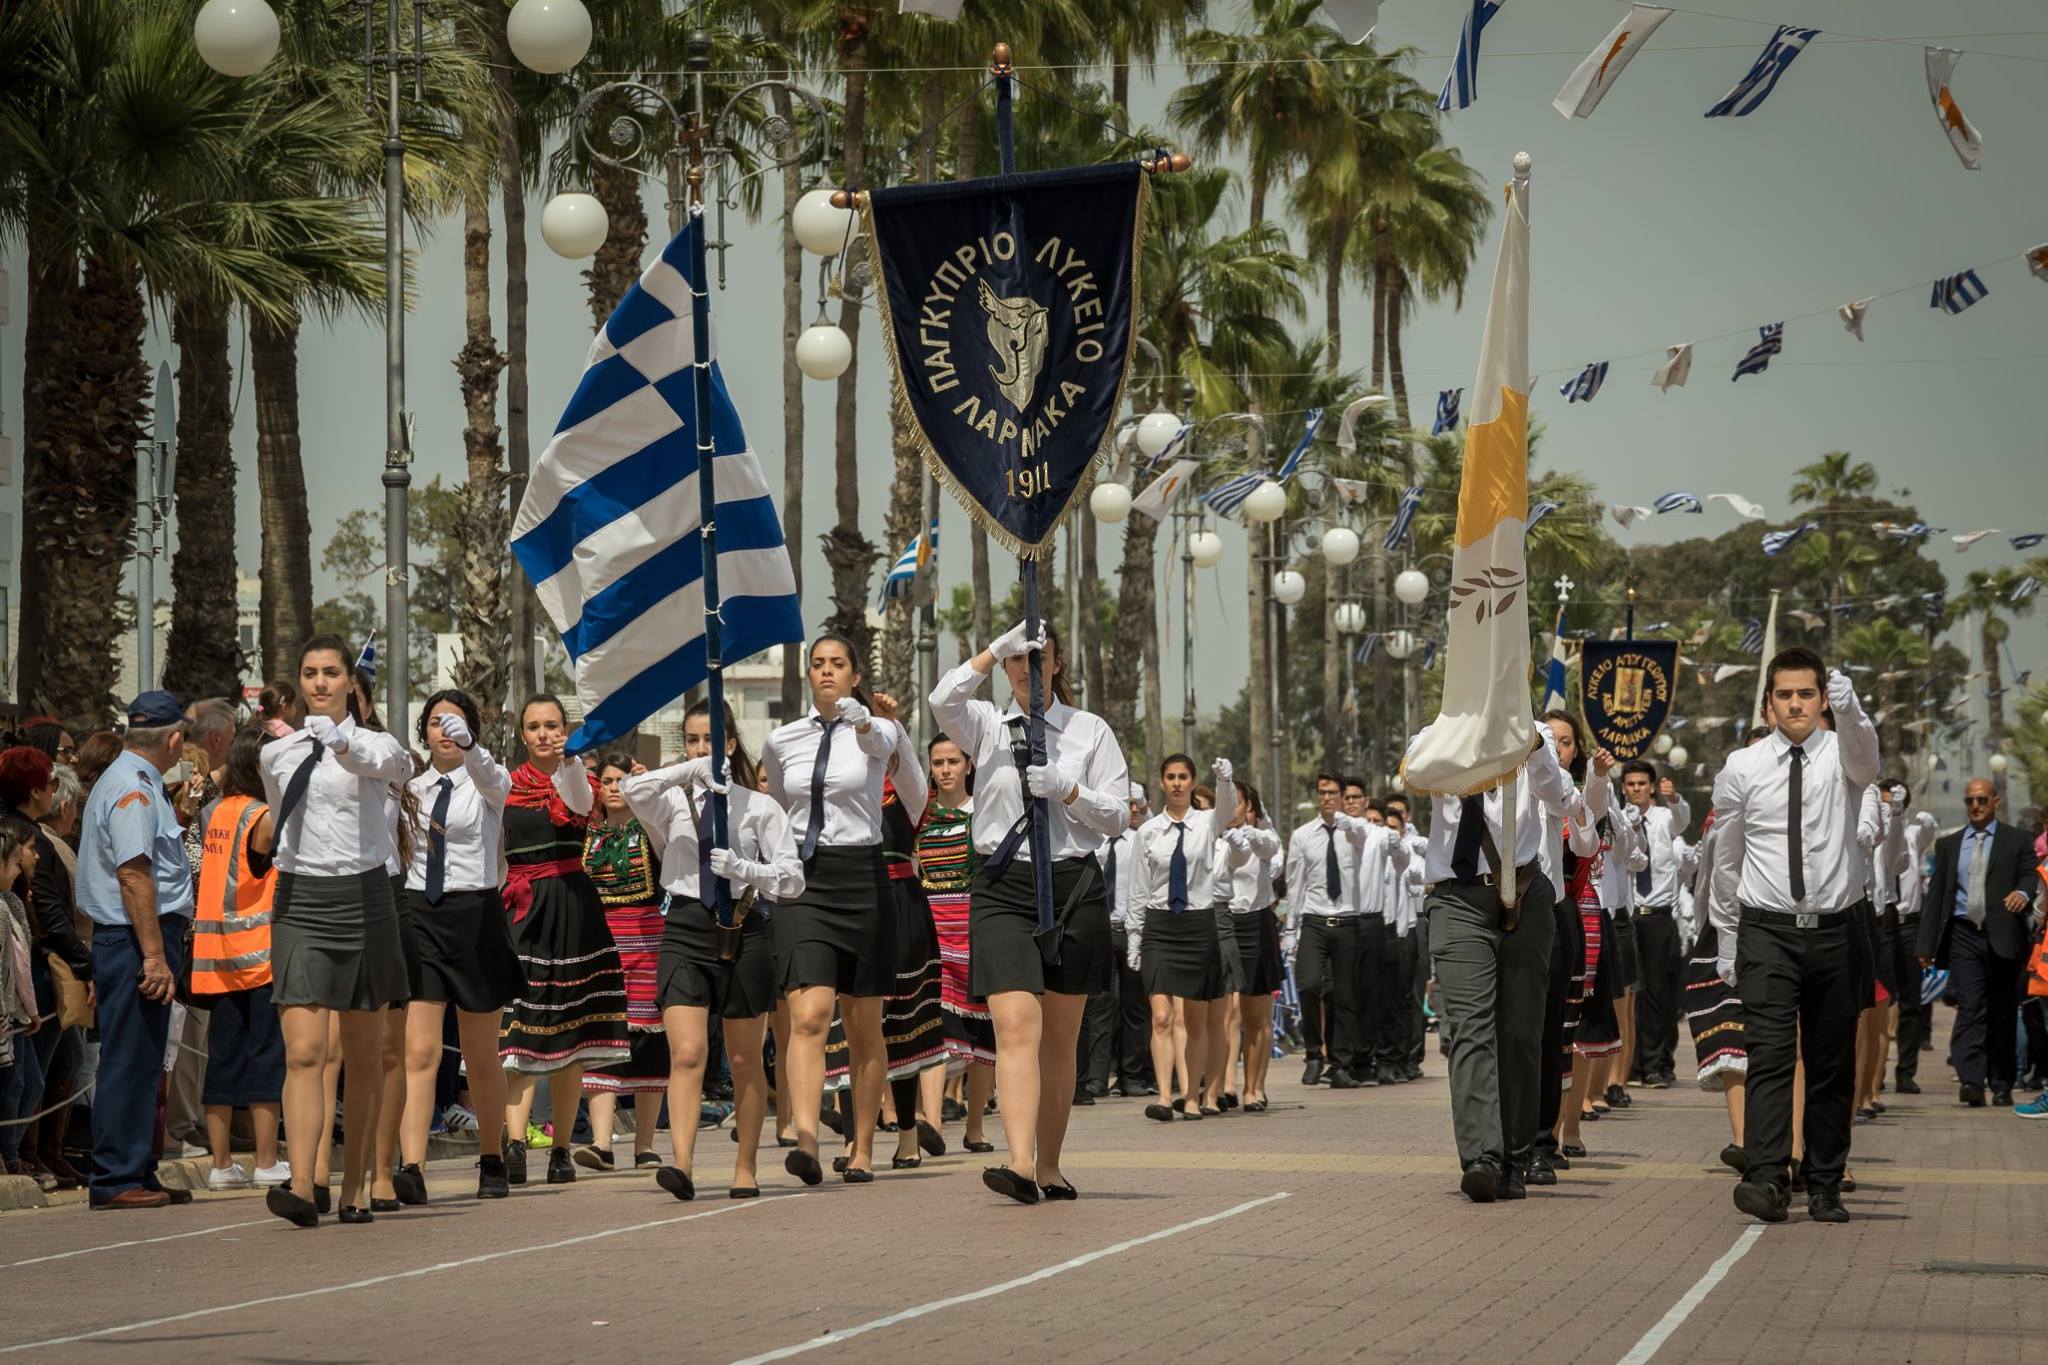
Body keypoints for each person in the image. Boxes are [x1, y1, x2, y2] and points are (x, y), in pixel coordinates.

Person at [929, 621, 1129, 1203]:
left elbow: (1117, 816)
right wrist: (996, 647)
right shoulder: (986, 725)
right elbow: (944, 699)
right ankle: (1017, 1163)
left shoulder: (1089, 731)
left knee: (1059, 1042)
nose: (1026, 669)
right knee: (1016, 1027)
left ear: (1058, 666)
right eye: (1018, 660)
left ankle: (1049, 1165)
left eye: (1037, 659)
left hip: (1071, 887)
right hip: (1003, 886)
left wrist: (1069, 790)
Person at [1712, 648, 1879, 1225]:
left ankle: (1826, 1180)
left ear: (1822, 699)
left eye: (1806, 693)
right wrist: (1728, 938)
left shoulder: (1844, 754)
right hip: (1767, 931)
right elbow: (1726, 859)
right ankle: (1766, 1176)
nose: (1795, 704)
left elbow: (1868, 759)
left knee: (1831, 1062)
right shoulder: (1743, 765)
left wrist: (1853, 711)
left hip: (1836, 930)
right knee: (1770, 1056)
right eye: (1784, 694)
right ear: (1768, 704)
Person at [258, 639, 413, 1227]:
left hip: (367, 897)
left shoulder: (376, 744)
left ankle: (356, 1186)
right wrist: (310, 743)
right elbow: (281, 819)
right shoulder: (280, 753)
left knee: (365, 1053)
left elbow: (394, 768)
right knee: (303, 1051)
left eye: (331, 673)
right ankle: (301, 1184)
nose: (319, 683)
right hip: (301, 897)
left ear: (351, 681)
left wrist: (343, 742)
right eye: (309, 674)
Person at [628, 700, 803, 1200]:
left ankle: (745, 1166)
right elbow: (629, 790)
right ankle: (681, 1164)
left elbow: (792, 879)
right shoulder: (671, 802)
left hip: (745, 928)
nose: (703, 748)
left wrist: (746, 870)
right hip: (686, 924)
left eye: (712, 740)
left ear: (731, 744)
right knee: (685, 1051)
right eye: (693, 739)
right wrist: (688, 771)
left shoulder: (760, 806)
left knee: (746, 1058)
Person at [1407, 718, 1574, 1204]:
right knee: (1469, 1028)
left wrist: (1534, 744)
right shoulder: (1436, 731)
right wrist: (1463, 734)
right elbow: (1417, 773)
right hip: (1457, 897)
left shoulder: (1533, 730)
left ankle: (1515, 1157)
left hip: (1524, 892)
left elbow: (1561, 799)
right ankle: (1482, 1155)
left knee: (1521, 1032)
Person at [763, 633, 908, 1187]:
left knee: (864, 1022)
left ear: (854, 675)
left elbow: (885, 751)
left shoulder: (876, 731)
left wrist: (864, 719)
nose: (827, 672)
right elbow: (777, 804)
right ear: (808, 675)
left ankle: (864, 1145)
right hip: (806, 880)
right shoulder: (781, 740)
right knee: (809, 1015)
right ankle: (805, 1138)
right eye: (818, 664)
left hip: (864, 878)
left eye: (838, 664)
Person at [392, 689, 522, 1204]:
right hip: (421, 914)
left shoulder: (488, 782)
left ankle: (492, 1156)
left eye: (456, 723)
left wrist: (473, 749)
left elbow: (494, 779)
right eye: (435, 723)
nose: (444, 732)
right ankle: (411, 1165)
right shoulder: (411, 788)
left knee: (479, 1053)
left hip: (475, 916)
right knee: (419, 1050)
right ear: (422, 732)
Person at [499, 695, 630, 1187]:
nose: (543, 734)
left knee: (571, 1036)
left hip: (573, 907)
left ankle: (559, 1150)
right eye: (534, 726)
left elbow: (577, 802)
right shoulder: (506, 785)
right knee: (521, 1030)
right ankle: (514, 1141)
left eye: (552, 725)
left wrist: (572, 756)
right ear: (522, 733)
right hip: (523, 908)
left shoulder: (579, 778)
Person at [78, 693, 198, 1210]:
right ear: (174, 739)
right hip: (134, 938)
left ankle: (137, 1169)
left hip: (137, 935)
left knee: (144, 1057)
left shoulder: (136, 780)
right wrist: (153, 955)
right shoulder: (133, 788)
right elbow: (133, 874)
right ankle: (115, 1176)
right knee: (130, 1057)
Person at [188, 728, 290, 1192]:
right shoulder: (262, 817)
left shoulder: (221, 813)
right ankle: (267, 1160)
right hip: (260, 957)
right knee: (268, 1057)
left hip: (217, 958)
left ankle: (221, 1164)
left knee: (222, 1059)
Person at [1126, 753, 1238, 1122]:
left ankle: (1191, 1096)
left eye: (1183, 777)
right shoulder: (1149, 831)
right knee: (1160, 1016)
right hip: (1160, 926)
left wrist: (1224, 781)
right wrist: (1135, 936)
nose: (1176, 783)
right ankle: (1162, 1095)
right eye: (1170, 776)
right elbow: (1139, 889)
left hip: (1198, 923)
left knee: (1195, 1019)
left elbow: (1227, 810)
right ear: (1162, 782)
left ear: (1192, 782)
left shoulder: (1207, 824)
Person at [1916, 776, 2037, 1108]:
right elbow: (1937, 896)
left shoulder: (2017, 840)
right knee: (1970, 1007)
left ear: (1995, 802)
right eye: (1970, 801)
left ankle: (2001, 1083)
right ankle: (1971, 1080)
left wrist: (2022, 893)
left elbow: (2029, 875)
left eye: (1982, 800)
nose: (1975, 806)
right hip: (1964, 934)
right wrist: (1925, 946)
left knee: (2001, 1011)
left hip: (2003, 937)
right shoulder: (1949, 845)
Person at [0, 745, 90, 1190]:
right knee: (28, 1071)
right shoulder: (26, 836)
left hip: (37, 964)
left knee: (60, 1059)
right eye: (50, 784)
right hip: (32, 969)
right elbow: (50, 914)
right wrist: (85, 962)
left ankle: (39, 1153)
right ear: (36, 789)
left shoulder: (27, 833)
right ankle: (20, 1155)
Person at [1282, 774, 1406, 1089]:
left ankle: (1341, 1064)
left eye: (1333, 793)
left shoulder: (1359, 831)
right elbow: (1295, 883)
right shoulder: (1302, 835)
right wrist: (1291, 928)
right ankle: (1313, 1053)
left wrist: (1352, 826)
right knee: (1310, 986)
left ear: (1342, 796)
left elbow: (1367, 839)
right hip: (1315, 919)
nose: (1328, 798)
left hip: (1348, 921)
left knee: (1345, 995)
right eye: (1322, 792)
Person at [577, 754, 671, 1171]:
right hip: (600, 942)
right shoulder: (585, 831)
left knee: (649, 1042)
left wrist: (647, 785)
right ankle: (602, 1143)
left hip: (648, 941)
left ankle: (645, 1145)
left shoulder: (650, 829)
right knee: (603, 1038)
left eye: (622, 781)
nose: (615, 787)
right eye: (608, 781)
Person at [1529, 712, 1606, 1184]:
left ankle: (1542, 1141)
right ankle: (1501, 1140)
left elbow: (1587, 836)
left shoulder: (1558, 788)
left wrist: (1594, 781)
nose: (1553, 747)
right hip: (1501, 910)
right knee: (1509, 1033)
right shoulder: (1493, 777)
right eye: (1546, 740)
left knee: (1550, 1033)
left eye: (1561, 742)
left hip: (1554, 911)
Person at [918, 737, 997, 1149]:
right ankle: (931, 1122)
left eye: (952, 761)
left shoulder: (985, 811)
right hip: (932, 932)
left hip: (975, 929)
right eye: (937, 762)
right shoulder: (921, 815)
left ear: (969, 765)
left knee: (984, 1031)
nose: (945, 768)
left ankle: (975, 1126)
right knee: (936, 1028)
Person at [1620, 761, 1690, 1090]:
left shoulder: (1664, 818)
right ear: (1624, 788)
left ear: (1651, 787)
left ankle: (1658, 1063)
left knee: (1659, 996)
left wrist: (1674, 799)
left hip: (1659, 917)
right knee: (1632, 995)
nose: (1636, 789)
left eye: (1642, 783)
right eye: (1631, 784)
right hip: (1630, 917)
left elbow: (1682, 820)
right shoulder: (1618, 818)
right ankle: (1631, 1065)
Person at [1087, 783, 1154, 1099]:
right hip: (1101, 930)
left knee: (1134, 1006)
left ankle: (1132, 1076)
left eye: (1134, 804)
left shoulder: (1140, 839)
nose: (1132, 808)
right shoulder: (1095, 840)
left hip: (1130, 931)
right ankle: (1096, 1078)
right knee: (1100, 1005)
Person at [1225, 781, 1284, 1111]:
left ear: (1249, 807)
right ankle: (1225, 1086)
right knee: (1228, 1011)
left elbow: (1271, 849)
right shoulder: (1211, 833)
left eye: (1237, 802)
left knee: (1256, 1015)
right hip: (1224, 922)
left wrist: (1248, 831)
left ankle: (1254, 1087)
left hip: (1257, 921)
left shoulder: (1261, 833)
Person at [1892, 800, 1939, 1094]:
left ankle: (1905, 1072)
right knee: (1874, 1001)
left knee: (1911, 1002)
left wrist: (1923, 816)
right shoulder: (1867, 831)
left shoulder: (1912, 835)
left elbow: (1930, 830)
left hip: (1908, 925)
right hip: (1879, 925)